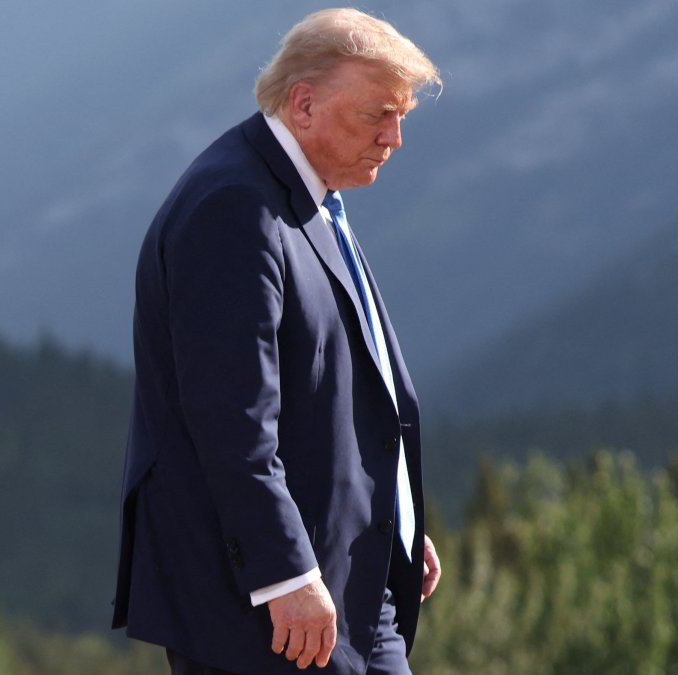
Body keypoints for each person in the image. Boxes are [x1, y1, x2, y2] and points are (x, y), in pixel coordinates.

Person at [110, 8, 443, 674]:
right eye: (378, 114)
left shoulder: (303, 194)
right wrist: (284, 572)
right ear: (304, 104)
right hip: (263, 611)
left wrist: (392, 518)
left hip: (341, 582)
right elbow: (231, 417)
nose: (395, 137)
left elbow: (333, 387)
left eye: (401, 115)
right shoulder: (235, 207)